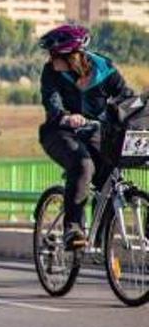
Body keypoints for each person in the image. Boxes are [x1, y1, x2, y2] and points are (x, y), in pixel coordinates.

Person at [38, 24, 133, 250]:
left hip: (95, 132)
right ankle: (73, 228)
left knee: (111, 175)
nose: (51, 60)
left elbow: (126, 98)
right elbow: (51, 103)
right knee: (83, 165)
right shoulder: (51, 72)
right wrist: (66, 116)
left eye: (55, 55)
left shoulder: (104, 69)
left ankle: (101, 240)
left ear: (73, 56)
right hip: (58, 132)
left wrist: (130, 116)